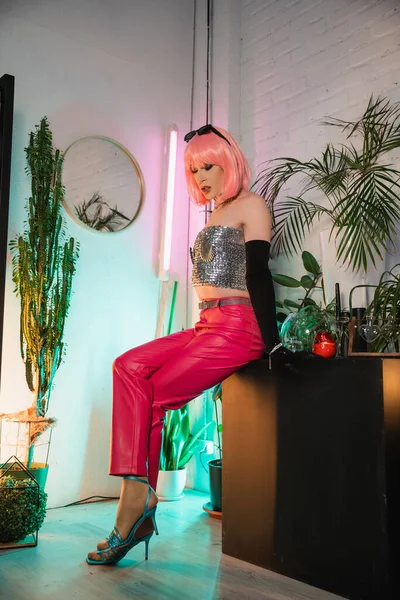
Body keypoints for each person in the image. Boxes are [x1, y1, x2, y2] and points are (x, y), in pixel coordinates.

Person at [86, 124, 288, 565]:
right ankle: (140, 496)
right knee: (128, 366)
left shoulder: (251, 205)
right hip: (206, 324)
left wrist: (272, 344)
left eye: (209, 165)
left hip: (239, 327)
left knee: (154, 399)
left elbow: (257, 274)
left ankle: (132, 508)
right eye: (194, 170)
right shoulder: (214, 214)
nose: (200, 177)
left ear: (230, 162)